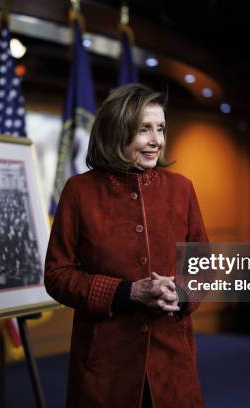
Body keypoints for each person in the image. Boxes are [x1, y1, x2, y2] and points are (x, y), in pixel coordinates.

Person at [45, 83, 208, 407]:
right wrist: (126, 292)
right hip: (105, 365)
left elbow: (203, 268)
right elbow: (57, 274)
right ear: (117, 131)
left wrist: (181, 292)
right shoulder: (79, 191)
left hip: (172, 362)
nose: (156, 141)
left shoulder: (182, 189)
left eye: (160, 128)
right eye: (143, 129)